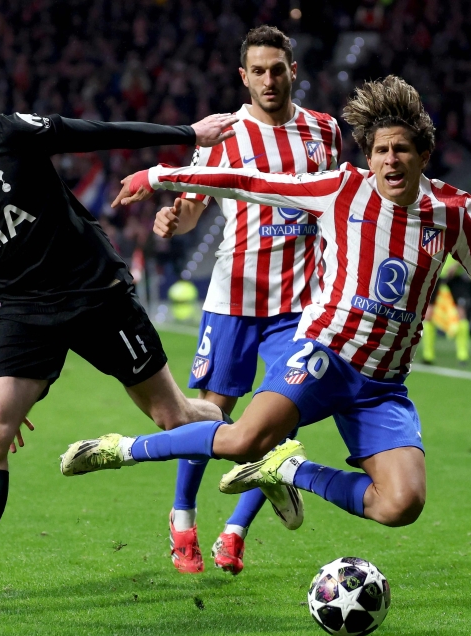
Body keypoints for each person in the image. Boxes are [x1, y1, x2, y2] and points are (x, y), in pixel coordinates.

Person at [60, 76, 471, 539]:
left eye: (402, 150)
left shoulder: (456, 212)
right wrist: (159, 175)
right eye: (381, 151)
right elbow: (246, 180)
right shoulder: (342, 190)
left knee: (401, 505)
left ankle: (289, 469)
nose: (391, 160)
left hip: (383, 384)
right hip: (324, 355)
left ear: (423, 155)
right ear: (368, 158)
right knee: (243, 439)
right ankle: (120, 449)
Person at [0, 60, 238, 614]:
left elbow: (91, 134)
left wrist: (186, 135)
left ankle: (261, 444)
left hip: (94, 291)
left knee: (173, 417)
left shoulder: (8, 134)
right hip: (25, 312)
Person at [152, 25, 342, 576]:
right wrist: (173, 219)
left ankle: (234, 531)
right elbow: (191, 207)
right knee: (211, 413)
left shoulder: (323, 132)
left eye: (277, 68)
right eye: (257, 70)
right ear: (244, 76)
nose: (268, 79)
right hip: (234, 297)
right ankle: (183, 517)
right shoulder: (225, 133)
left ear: (293, 71)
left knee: (282, 418)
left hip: (301, 304)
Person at [421, 258, 471, 366]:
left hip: (456, 277)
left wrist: (456, 265)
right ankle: (428, 355)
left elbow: (466, 249)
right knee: (428, 314)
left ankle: (463, 356)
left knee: (461, 314)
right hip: (436, 276)